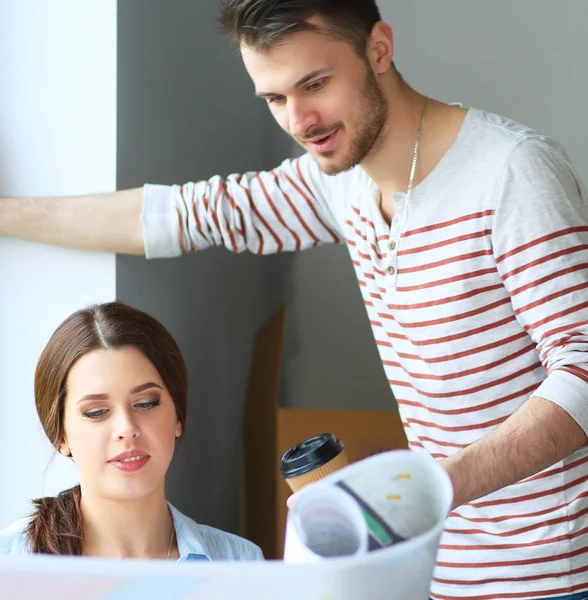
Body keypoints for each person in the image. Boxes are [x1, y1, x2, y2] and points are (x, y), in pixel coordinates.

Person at [1, 0, 587, 596]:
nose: (300, 120)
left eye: (315, 84)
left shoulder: (511, 173)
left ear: (379, 49)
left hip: (553, 573)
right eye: (275, 99)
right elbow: (183, 215)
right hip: (439, 569)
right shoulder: (342, 183)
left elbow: (583, 367)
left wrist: (432, 487)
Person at [0, 301, 262, 562]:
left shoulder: (240, 562)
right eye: (96, 412)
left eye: (146, 404)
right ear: (60, 435)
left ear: (178, 417)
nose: (127, 429)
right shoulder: (10, 562)